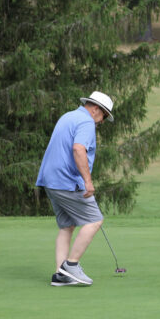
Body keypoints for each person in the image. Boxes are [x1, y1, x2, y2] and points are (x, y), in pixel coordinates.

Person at [36, 91, 114, 287]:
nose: (102, 121)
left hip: (50, 180)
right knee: (95, 220)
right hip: (67, 182)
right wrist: (88, 181)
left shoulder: (68, 116)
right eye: (104, 116)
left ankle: (60, 274)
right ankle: (71, 265)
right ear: (95, 109)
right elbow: (78, 149)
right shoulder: (86, 122)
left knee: (67, 226)